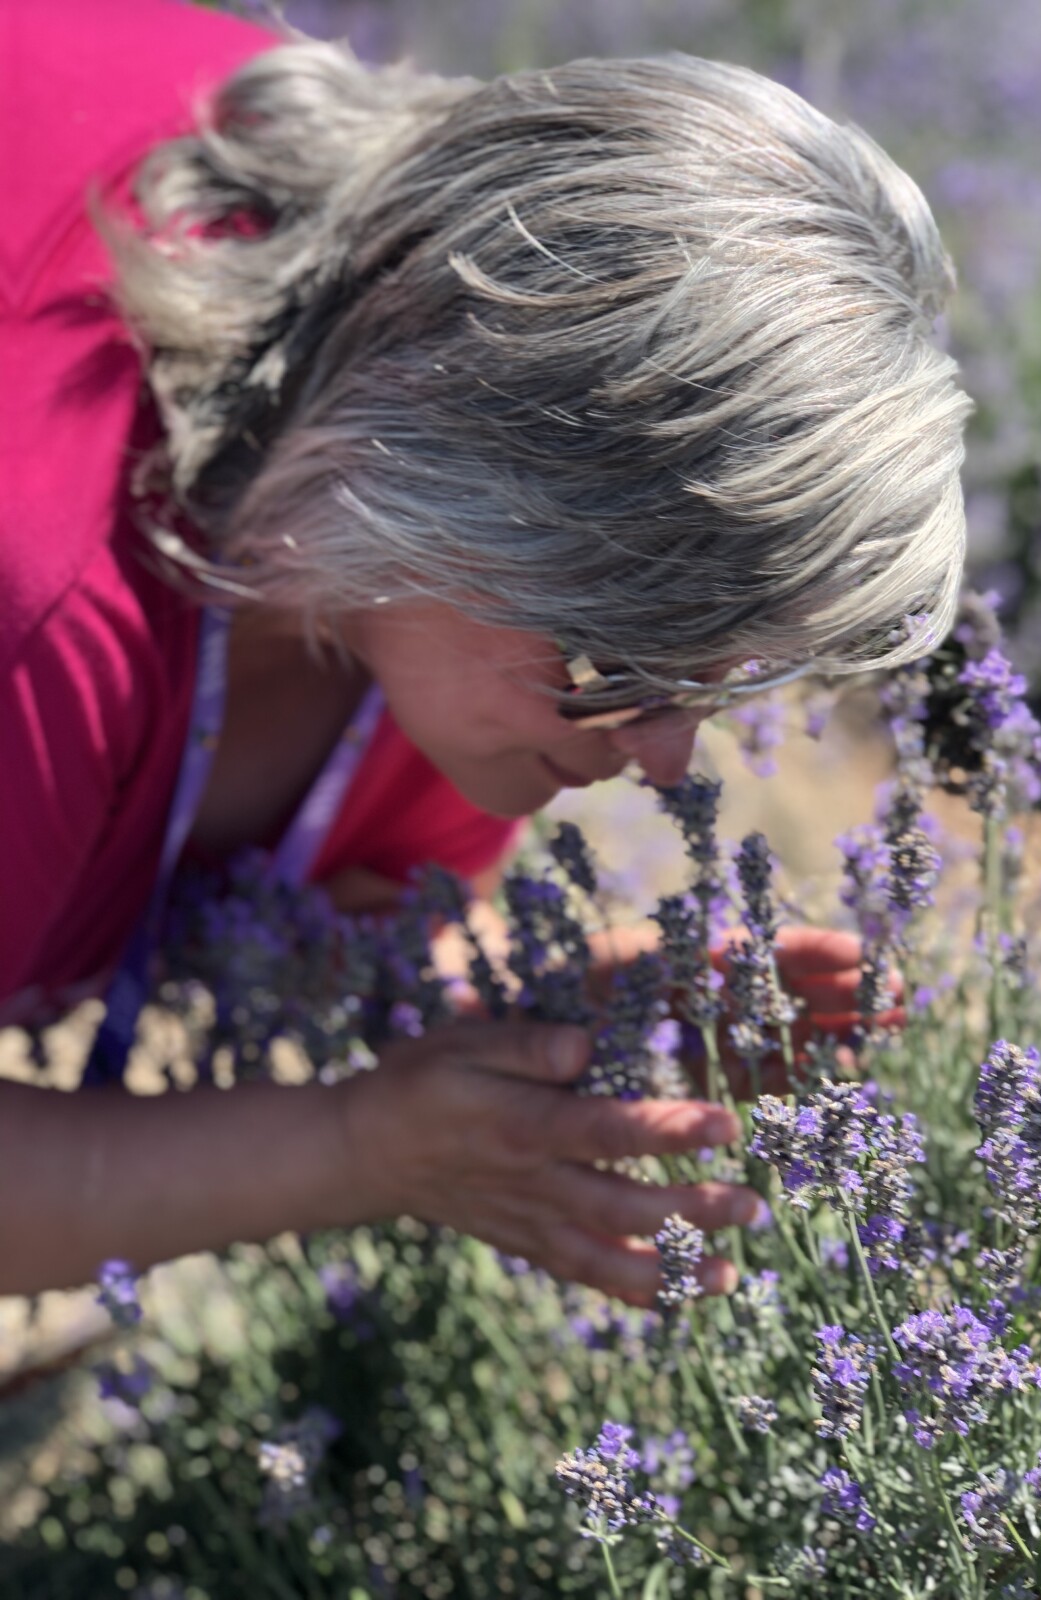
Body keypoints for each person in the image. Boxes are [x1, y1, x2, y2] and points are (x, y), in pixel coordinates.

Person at [0, 0, 971, 1301]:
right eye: (620, 660)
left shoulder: (418, 566)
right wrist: (359, 1147)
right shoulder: (47, 600)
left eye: (711, 679)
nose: (666, 756)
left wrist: (500, 1017)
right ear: (448, 478)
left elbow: (269, 881)